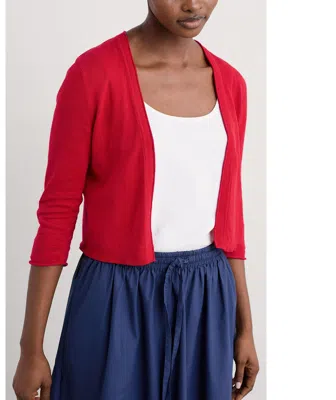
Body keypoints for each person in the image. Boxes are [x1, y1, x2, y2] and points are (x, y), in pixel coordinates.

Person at [13, 1, 260, 399]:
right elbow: (58, 212)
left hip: (208, 295)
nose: (193, 4)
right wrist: (31, 348)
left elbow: (231, 215)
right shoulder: (93, 75)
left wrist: (245, 327)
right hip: (115, 294)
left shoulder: (231, 84)